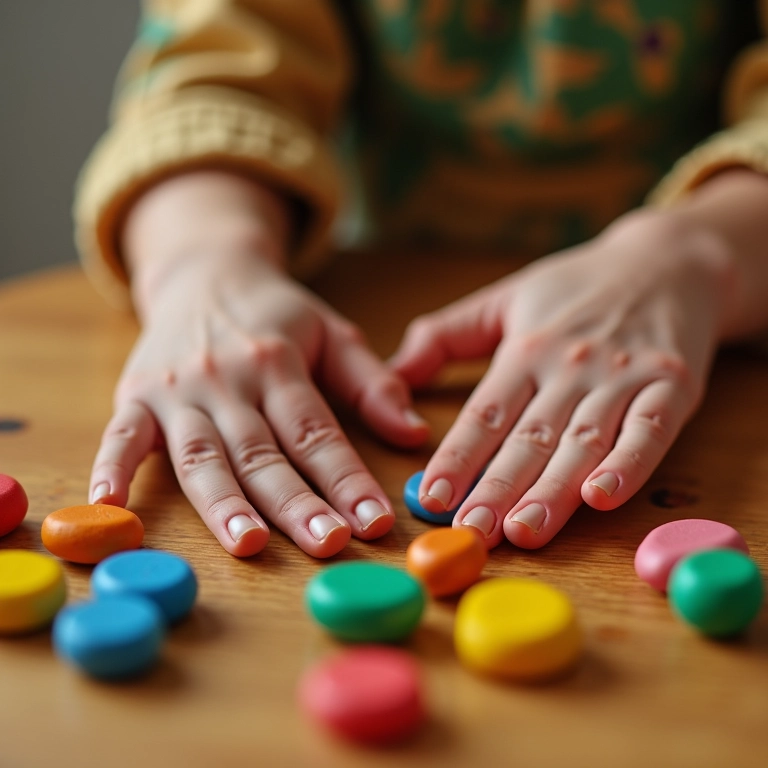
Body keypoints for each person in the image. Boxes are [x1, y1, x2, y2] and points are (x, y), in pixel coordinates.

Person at [75, 1, 768, 559]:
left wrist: (693, 254)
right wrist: (201, 262)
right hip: (376, 336)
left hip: (719, 340)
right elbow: (210, 82)